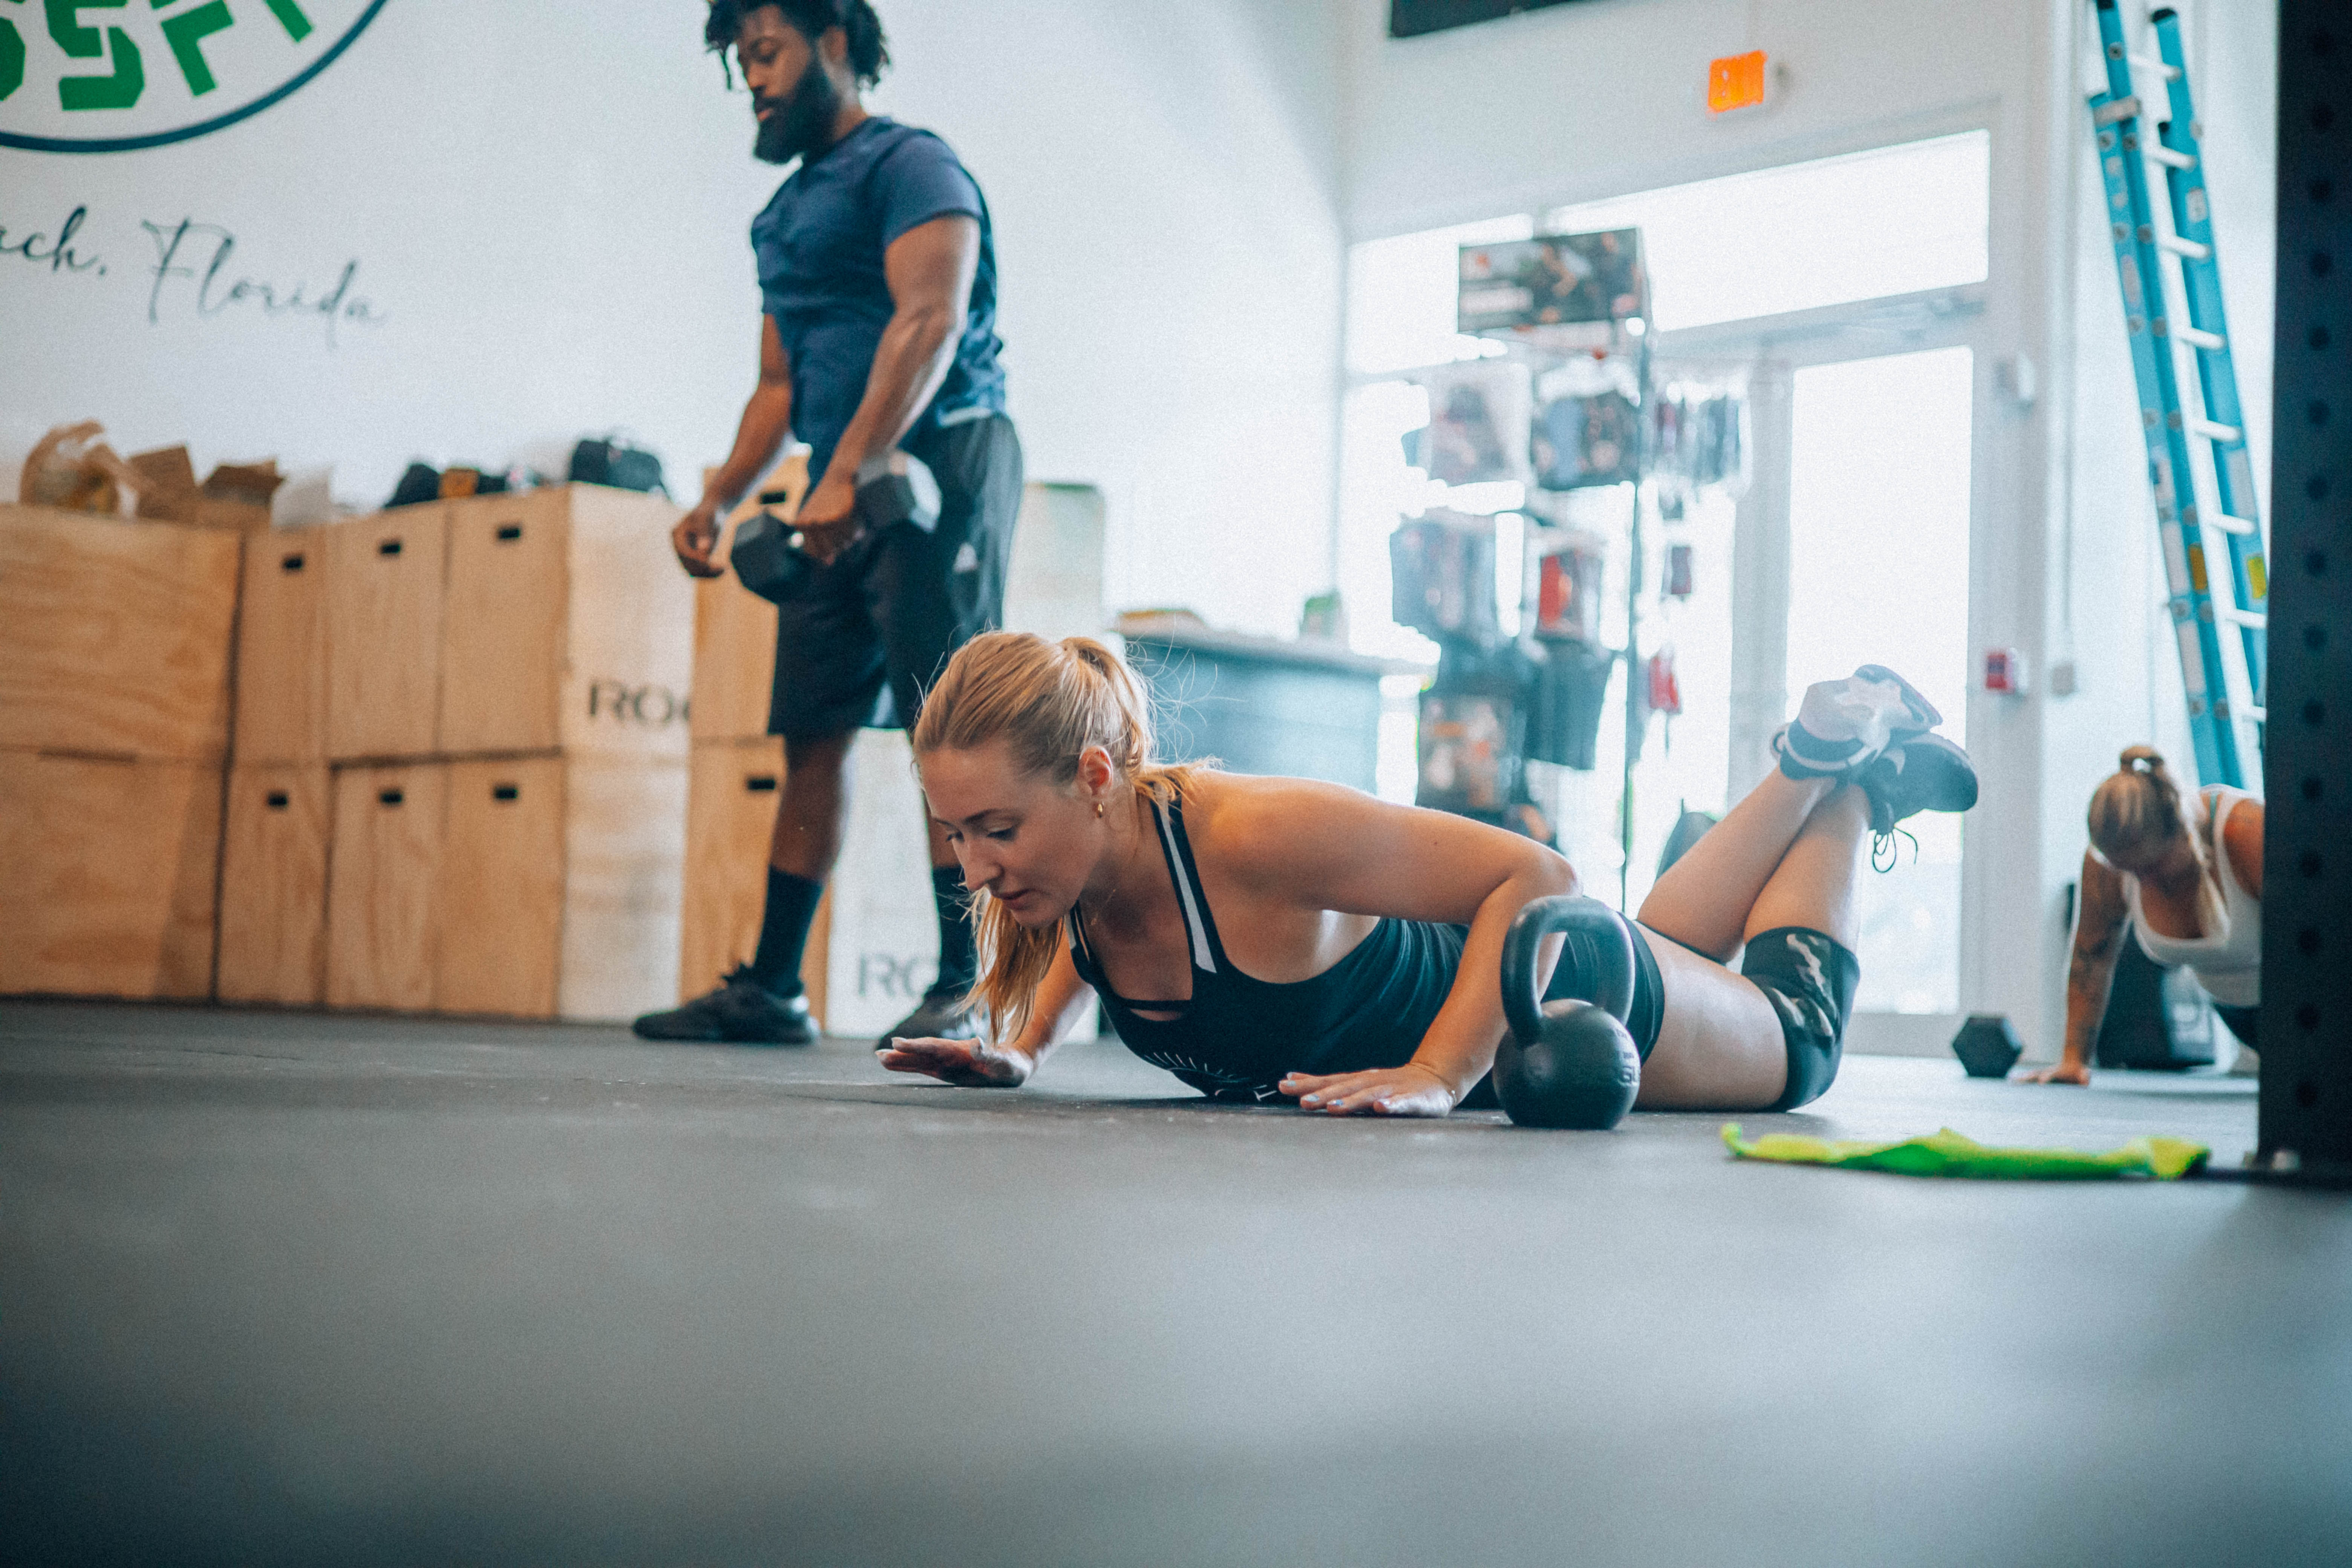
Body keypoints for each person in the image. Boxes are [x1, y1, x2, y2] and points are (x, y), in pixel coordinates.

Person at [879, 633, 1979, 1116]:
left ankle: (1855, 786)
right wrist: (1024, 1049)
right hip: (1591, 959)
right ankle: (1813, 762)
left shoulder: (1251, 836)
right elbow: (1102, 941)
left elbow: (1537, 872)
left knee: (1799, 1043)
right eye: (954, 834)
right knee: (1678, 944)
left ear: (1092, 777)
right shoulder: (1082, 870)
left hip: (1556, 990)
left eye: (995, 830)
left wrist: (1441, 1072)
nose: (974, 867)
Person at [635, 0, 1021, 1050]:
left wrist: (849, 468)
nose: (753, 81)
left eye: (766, 53)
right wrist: (718, 498)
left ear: (835, 44)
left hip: (940, 457)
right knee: (812, 729)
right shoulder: (782, 216)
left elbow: (930, 318)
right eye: (742, 65)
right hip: (836, 480)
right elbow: (778, 385)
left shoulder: (912, 165)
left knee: (949, 724)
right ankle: (773, 988)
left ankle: (971, 985)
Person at [2022, 746, 2264, 1085]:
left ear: (2181, 829)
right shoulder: (2110, 865)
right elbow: (2091, 958)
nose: (2141, 882)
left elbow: (2326, 942)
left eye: (2150, 867)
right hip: (2243, 1022)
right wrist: (2073, 1061)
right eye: (2129, 871)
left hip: (2315, 1014)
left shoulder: (2245, 831)